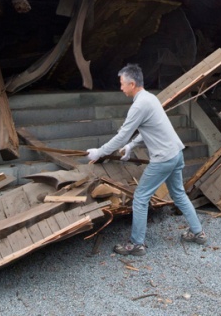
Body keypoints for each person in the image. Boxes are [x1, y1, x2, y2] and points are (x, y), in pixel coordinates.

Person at [86, 63, 206, 256]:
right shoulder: (150, 98)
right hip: (176, 153)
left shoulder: (139, 105)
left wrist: (99, 152)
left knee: (140, 198)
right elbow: (149, 128)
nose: (121, 87)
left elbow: (122, 135)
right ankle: (198, 232)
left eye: (122, 84)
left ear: (132, 84)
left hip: (164, 158)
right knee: (178, 194)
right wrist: (131, 146)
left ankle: (136, 244)